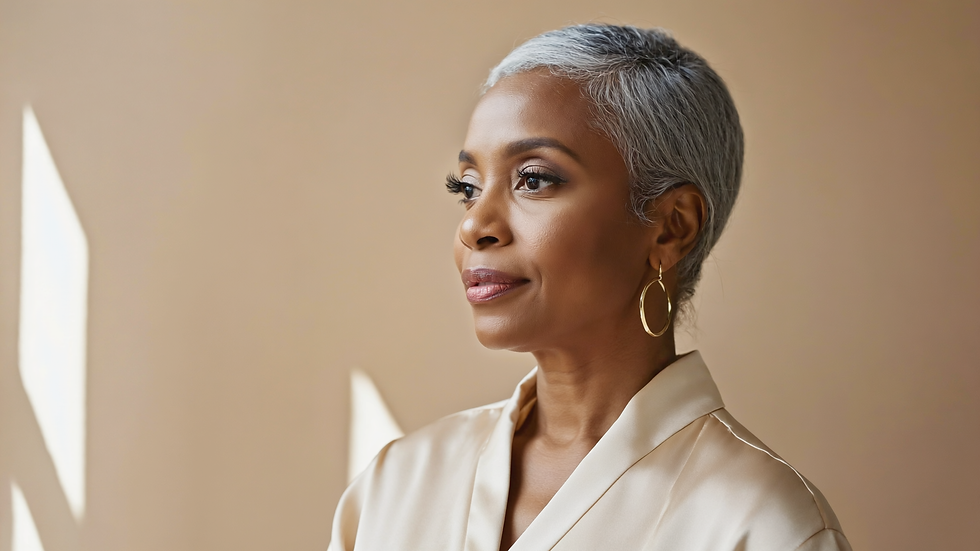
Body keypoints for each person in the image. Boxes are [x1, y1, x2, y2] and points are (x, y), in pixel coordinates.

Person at [328, 24, 850, 551]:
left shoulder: (762, 525)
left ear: (672, 226)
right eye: (467, 187)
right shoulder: (395, 484)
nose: (474, 225)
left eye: (533, 179)